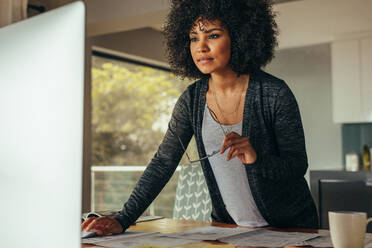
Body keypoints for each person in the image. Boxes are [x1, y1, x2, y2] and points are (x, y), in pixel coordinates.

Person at [82, 0, 319, 236]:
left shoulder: (274, 93)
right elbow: (164, 162)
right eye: (194, 38)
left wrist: (257, 158)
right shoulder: (191, 100)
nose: (200, 47)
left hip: (291, 229)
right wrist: (123, 219)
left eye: (213, 36)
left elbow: (297, 165)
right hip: (231, 230)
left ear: (239, 37)